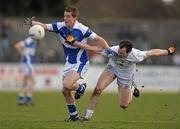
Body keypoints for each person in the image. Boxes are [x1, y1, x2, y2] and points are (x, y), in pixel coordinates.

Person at [23, 6, 109, 121]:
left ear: (75, 18)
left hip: (80, 62)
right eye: (64, 16)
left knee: (67, 84)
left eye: (68, 16)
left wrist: (109, 49)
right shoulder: (60, 26)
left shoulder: (82, 29)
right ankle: (74, 116)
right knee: (65, 90)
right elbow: (44, 26)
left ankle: (81, 88)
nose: (65, 18)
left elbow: (98, 39)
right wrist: (32, 23)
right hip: (69, 62)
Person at [66, 39, 176, 121]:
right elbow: (93, 48)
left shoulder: (137, 55)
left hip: (126, 75)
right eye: (119, 51)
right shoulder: (113, 51)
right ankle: (87, 117)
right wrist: (75, 42)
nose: (120, 53)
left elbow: (152, 52)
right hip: (112, 69)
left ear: (129, 52)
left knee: (124, 105)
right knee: (98, 89)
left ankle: (132, 88)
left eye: (122, 53)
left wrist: (167, 51)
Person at [14, 36, 38, 106]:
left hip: (27, 63)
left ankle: (21, 99)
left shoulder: (33, 41)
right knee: (33, 81)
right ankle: (28, 100)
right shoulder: (29, 40)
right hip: (27, 63)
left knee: (25, 82)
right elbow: (17, 46)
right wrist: (22, 55)